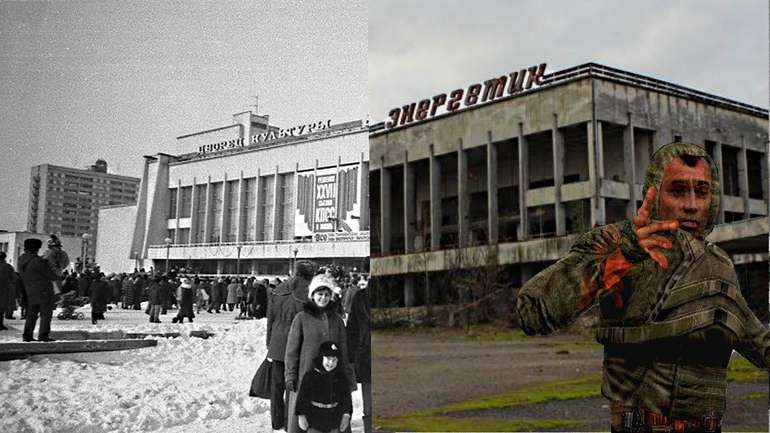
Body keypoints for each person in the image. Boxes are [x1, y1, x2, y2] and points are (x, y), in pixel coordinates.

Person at [516, 142, 770, 432]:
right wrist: (622, 257)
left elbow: (755, 339)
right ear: (653, 192)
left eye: (701, 192)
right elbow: (532, 311)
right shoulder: (619, 243)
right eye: (677, 191)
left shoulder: (717, 262)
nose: (691, 205)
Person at [284, 273, 355, 433]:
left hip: (333, 379)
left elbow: (343, 350)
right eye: (319, 294)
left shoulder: (337, 320)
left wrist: (348, 377)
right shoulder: (301, 318)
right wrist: (290, 375)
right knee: (303, 422)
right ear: (312, 295)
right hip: (305, 378)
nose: (323, 298)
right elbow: (291, 351)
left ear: (331, 297)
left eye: (326, 295)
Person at [266, 260, 318, 432]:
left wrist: (269, 343)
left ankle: (276, 422)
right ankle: (290, 422)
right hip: (297, 345)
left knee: (276, 385)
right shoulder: (307, 292)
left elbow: (270, 320)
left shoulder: (279, 289)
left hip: (276, 343)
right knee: (294, 384)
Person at [295, 341, 353, 433]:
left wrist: (346, 415)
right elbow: (302, 397)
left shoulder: (340, 377)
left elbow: (346, 398)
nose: (331, 363)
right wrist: (301, 415)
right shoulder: (310, 376)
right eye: (328, 359)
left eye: (334, 360)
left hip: (334, 421)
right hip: (314, 421)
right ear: (321, 357)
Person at [18, 238, 58, 342]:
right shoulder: (38, 261)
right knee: (46, 315)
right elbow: (52, 275)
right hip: (43, 291)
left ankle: (27, 335)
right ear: (36, 248)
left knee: (31, 314)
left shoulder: (22, 259)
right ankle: (43, 335)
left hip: (29, 290)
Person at [346, 278, 371, 433]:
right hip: (367, 357)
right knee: (370, 407)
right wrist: (351, 359)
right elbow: (352, 331)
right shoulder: (360, 297)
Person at [0, 252, 17, 330]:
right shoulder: (7, 266)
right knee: (1, 308)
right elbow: (14, 278)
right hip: (4, 290)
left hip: (4, 289)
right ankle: (0, 324)